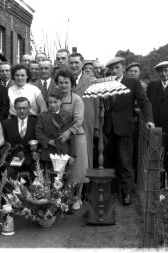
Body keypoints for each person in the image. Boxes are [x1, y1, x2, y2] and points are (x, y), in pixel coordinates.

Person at [104, 57, 154, 205]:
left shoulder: (133, 82)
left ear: (123, 68)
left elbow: (144, 102)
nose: (114, 70)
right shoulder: (106, 84)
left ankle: (127, 193)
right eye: (111, 68)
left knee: (125, 162)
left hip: (125, 128)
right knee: (110, 161)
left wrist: (150, 119)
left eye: (117, 67)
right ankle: (112, 192)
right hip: (108, 128)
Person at [54, 69, 88, 210]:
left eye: (66, 82)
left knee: (77, 169)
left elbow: (79, 120)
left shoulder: (76, 99)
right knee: (59, 169)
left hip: (76, 136)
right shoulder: (54, 98)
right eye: (60, 82)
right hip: (59, 138)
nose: (63, 85)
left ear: (71, 84)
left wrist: (69, 132)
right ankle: (61, 198)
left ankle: (77, 198)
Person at [68, 53, 99, 184]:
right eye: (71, 63)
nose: (74, 65)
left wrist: (96, 125)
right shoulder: (66, 79)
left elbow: (97, 103)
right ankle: (71, 184)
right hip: (68, 122)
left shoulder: (91, 81)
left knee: (86, 152)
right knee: (71, 152)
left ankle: (86, 184)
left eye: (76, 62)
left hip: (87, 121)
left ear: (82, 63)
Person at [36, 89, 75, 171]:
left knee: (62, 178)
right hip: (47, 152)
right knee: (47, 177)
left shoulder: (68, 116)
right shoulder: (42, 116)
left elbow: (72, 137)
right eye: (50, 102)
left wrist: (72, 155)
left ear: (61, 101)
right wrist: (49, 141)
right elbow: (39, 132)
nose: (52, 105)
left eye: (55, 102)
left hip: (64, 153)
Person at [2, 97, 38, 180]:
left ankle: (37, 193)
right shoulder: (6, 123)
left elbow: (39, 141)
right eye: (19, 108)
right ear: (14, 108)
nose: (22, 111)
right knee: (7, 173)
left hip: (31, 159)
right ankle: (10, 192)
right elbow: (5, 143)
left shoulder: (36, 122)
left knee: (38, 172)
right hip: (14, 158)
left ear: (29, 108)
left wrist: (37, 153)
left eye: (24, 108)